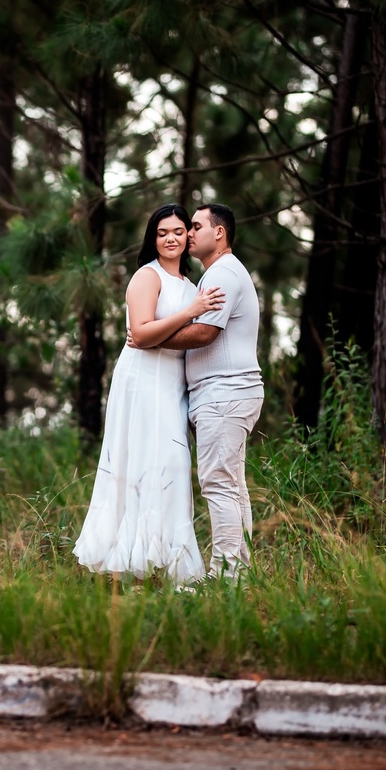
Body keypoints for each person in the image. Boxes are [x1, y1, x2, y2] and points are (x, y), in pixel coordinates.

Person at [73, 203, 225, 584]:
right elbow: (140, 335)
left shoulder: (193, 287)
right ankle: (128, 566)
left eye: (178, 231)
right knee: (140, 464)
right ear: (152, 239)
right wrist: (191, 311)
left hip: (172, 384)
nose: (171, 238)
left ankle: (165, 565)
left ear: (188, 237)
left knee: (172, 467)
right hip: (141, 383)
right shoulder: (147, 277)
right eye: (162, 233)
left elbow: (182, 338)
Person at [154, 203, 264, 581]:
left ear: (219, 233)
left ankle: (227, 577)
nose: (188, 234)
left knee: (219, 485)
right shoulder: (219, 273)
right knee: (231, 486)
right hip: (224, 394)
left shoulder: (222, 273)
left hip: (225, 394)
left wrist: (153, 336)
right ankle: (240, 575)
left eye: (196, 226)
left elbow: (205, 332)